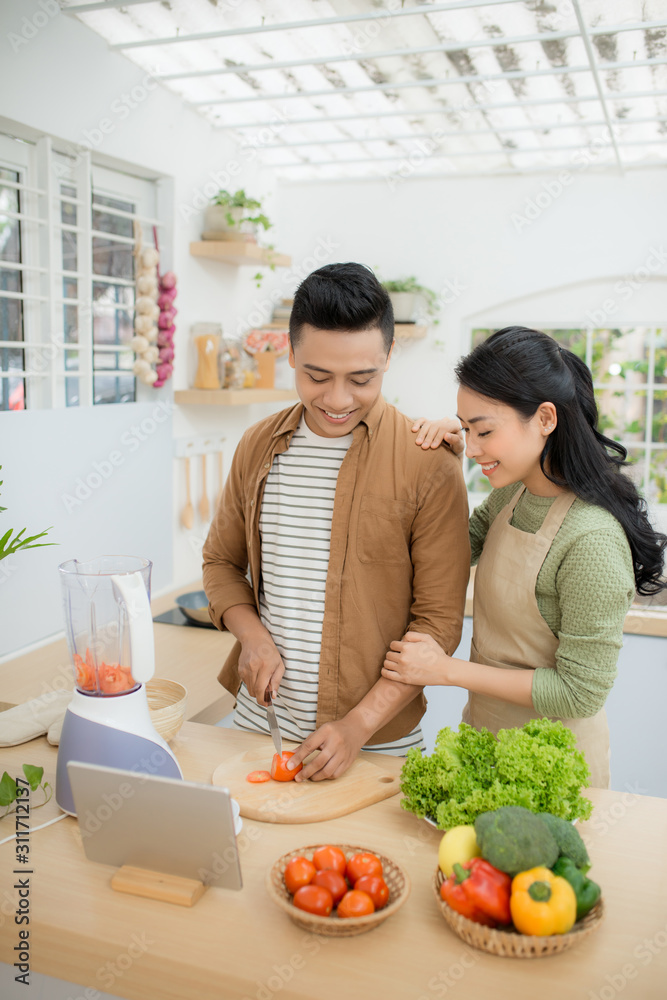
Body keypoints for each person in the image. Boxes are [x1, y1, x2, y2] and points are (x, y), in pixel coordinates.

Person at [203, 263, 470, 782]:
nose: (338, 399)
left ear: (390, 356)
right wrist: (251, 635)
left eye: (362, 378)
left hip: (377, 747)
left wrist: (357, 726)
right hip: (258, 725)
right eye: (317, 376)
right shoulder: (258, 446)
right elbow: (219, 563)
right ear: (291, 352)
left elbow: (437, 625)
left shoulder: (428, 463)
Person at [382, 326, 666, 788]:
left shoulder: (591, 540)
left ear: (546, 419)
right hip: (487, 742)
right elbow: (445, 551)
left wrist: (445, 670)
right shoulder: (512, 494)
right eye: (465, 426)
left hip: (554, 771)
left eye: (485, 430)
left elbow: (580, 693)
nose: (472, 447)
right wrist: (441, 464)